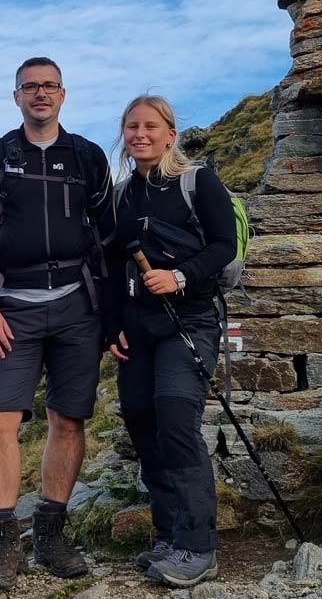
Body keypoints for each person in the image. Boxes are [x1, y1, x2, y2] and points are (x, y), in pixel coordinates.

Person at [0, 57, 116, 591]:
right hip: (11, 307)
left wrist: (113, 315)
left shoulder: (88, 156)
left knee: (68, 420)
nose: (40, 94)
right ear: (17, 96)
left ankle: (51, 534)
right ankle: (5, 547)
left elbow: (109, 237)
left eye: (49, 86)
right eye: (31, 87)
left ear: (64, 94)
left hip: (79, 305)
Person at [104, 94, 236, 588]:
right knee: (143, 426)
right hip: (137, 329)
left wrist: (178, 276)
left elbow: (224, 245)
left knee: (177, 423)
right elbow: (112, 267)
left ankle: (198, 547)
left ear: (170, 134)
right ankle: (167, 535)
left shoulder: (197, 182)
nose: (141, 134)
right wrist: (111, 324)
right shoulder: (120, 196)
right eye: (132, 127)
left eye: (151, 126)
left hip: (191, 321)